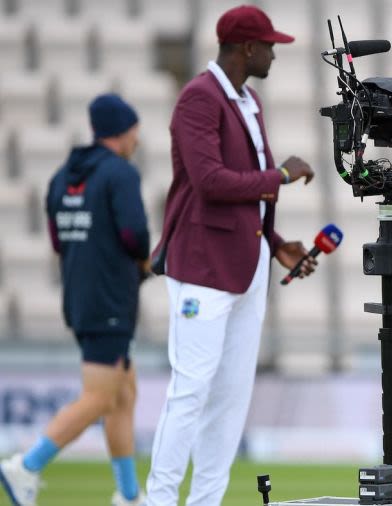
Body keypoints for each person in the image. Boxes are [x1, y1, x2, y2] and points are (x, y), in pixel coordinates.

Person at [144, 5, 317, 505]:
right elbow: (211, 181)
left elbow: (248, 193)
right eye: (269, 45)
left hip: (246, 262)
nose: (273, 53)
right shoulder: (199, 99)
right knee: (192, 390)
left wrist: (274, 240)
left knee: (230, 399)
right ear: (245, 47)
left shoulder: (249, 100)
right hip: (201, 265)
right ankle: (158, 501)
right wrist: (280, 177)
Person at [0, 94, 150, 506]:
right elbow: (134, 234)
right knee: (100, 397)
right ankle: (25, 467)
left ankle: (128, 494)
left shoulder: (62, 176)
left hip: (80, 296)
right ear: (124, 130)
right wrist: (143, 263)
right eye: (135, 129)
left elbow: (57, 240)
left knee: (123, 393)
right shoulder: (120, 174)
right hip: (111, 300)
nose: (138, 137)